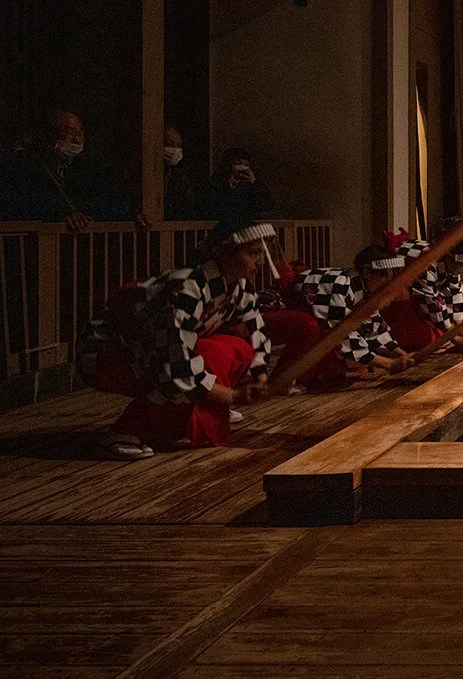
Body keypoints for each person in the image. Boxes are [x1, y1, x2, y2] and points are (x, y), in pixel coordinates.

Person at [80, 217, 279, 460]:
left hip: (158, 350)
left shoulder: (240, 287)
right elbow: (177, 364)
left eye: (262, 253)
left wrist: (259, 378)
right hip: (111, 353)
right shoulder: (187, 287)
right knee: (182, 369)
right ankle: (126, 430)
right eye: (252, 252)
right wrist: (234, 396)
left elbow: (255, 333)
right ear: (225, 252)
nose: (260, 261)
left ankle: (191, 415)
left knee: (235, 347)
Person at [276, 243, 413, 388]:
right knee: (313, 327)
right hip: (276, 310)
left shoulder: (364, 290)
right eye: (387, 281)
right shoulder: (339, 286)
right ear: (367, 273)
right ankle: (282, 381)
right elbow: (340, 334)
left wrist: (399, 353)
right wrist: (387, 363)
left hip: (312, 317)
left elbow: (374, 326)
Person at [0, 109, 131, 229]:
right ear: (48, 134)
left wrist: (129, 215)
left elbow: (103, 202)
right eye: (70, 132)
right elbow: (17, 206)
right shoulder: (22, 166)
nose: (77, 139)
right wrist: (57, 217)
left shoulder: (85, 167)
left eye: (80, 132)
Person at [384, 222, 463, 350]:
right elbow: (432, 302)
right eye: (460, 265)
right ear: (448, 257)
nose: (462, 269)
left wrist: (460, 327)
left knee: (439, 332)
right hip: (397, 298)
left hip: (421, 296)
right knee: (425, 339)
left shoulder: (449, 262)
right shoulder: (424, 262)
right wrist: (453, 336)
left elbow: (454, 290)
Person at [202, 147, 274, 223]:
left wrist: (255, 184)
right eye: (238, 163)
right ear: (228, 165)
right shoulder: (216, 182)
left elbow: (267, 205)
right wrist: (228, 188)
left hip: (248, 228)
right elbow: (211, 208)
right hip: (224, 226)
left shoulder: (251, 183)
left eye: (246, 164)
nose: (242, 168)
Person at [162, 124, 201, 220]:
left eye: (178, 145)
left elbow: (188, 206)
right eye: (170, 144)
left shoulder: (180, 175)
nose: (175, 149)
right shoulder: (150, 172)